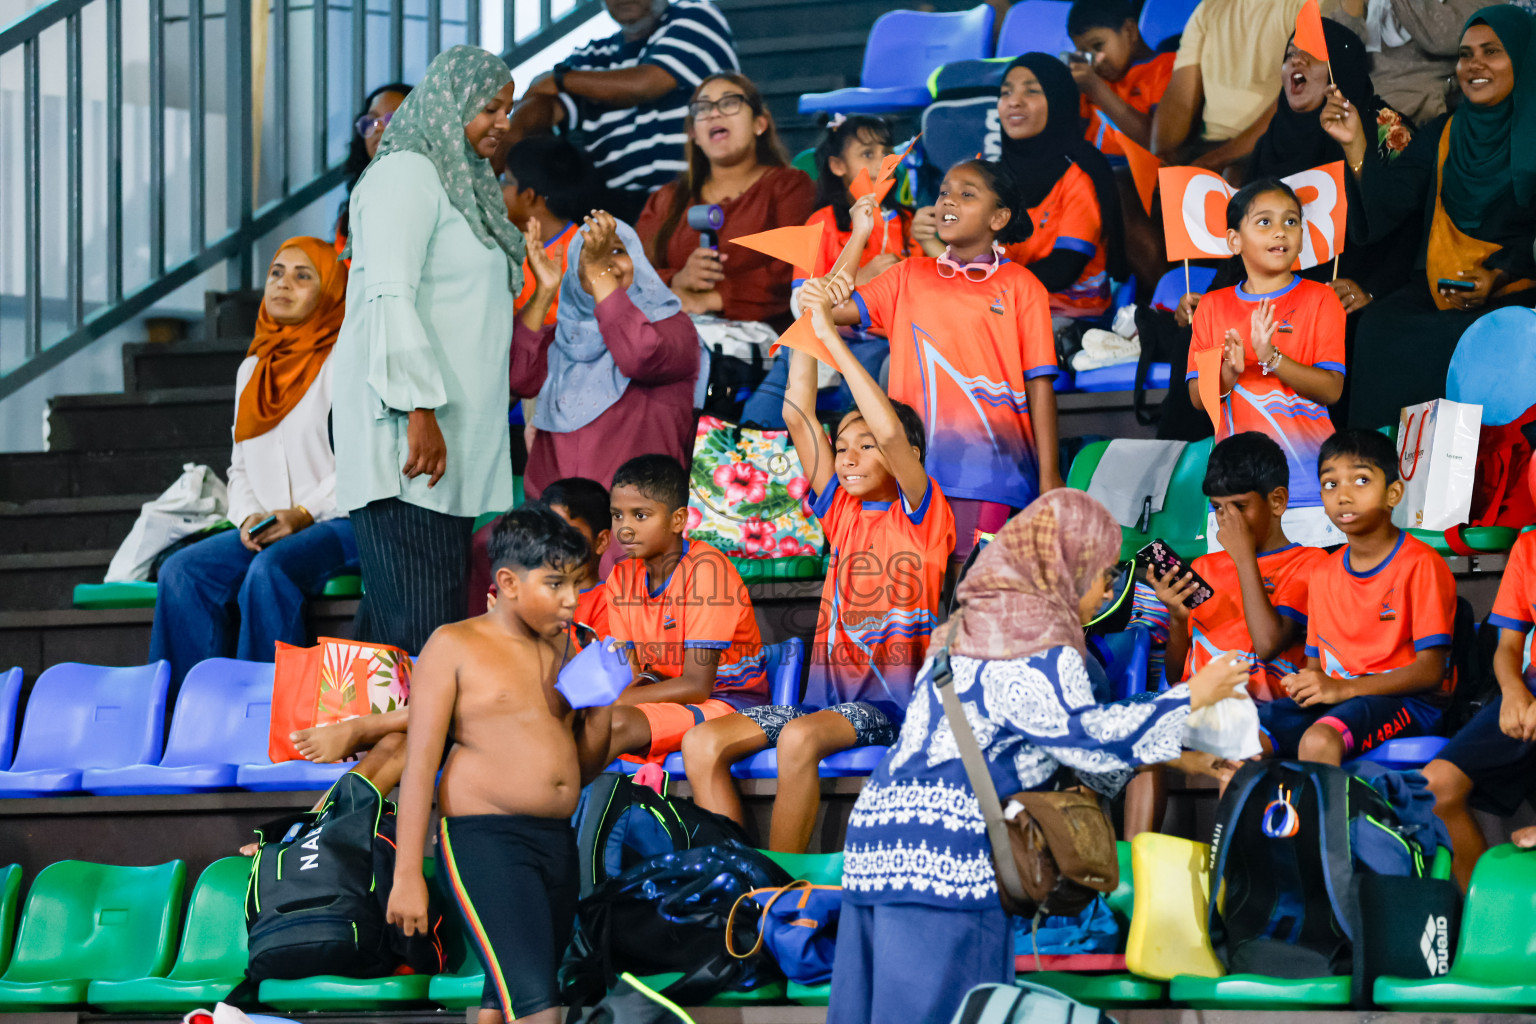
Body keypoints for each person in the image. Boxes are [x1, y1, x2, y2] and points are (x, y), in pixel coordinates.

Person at [827, 489, 1251, 1024]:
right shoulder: (1043, 645)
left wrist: (1180, 759)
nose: (1106, 591)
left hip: (875, 847)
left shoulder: (960, 629)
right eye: (1102, 574)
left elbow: (1031, 736)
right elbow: (1083, 738)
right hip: (949, 860)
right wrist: (1192, 694)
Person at [683, 272, 956, 853]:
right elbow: (798, 415)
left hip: (890, 708)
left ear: (906, 457)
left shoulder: (922, 513)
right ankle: (737, 873)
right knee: (701, 744)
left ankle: (783, 881)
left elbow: (888, 427)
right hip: (821, 704)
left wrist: (832, 337)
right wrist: (807, 324)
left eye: (866, 448)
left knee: (799, 739)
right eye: (842, 447)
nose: (849, 457)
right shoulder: (840, 510)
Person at [331, 46, 524, 655]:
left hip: (448, 438)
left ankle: (370, 745)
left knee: (406, 622)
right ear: (449, 104)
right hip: (411, 434)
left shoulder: (462, 182)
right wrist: (418, 409)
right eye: (489, 107)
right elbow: (390, 296)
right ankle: (415, 750)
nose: (502, 122)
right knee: (423, 628)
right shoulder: (405, 172)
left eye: (508, 109)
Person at [387, 506, 613, 1024]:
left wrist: (600, 701)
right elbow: (419, 766)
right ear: (508, 582)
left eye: (576, 584)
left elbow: (578, 767)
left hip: (556, 840)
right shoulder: (454, 644)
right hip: (485, 842)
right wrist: (407, 875)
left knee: (502, 998)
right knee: (539, 1007)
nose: (571, 599)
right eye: (555, 583)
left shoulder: (566, 645)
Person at [819, 168, 1058, 564]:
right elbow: (828, 307)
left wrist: (1049, 475)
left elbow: (1040, 386)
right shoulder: (907, 274)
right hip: (908, 470)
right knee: (920, 591)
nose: (947, 200)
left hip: (992, 474)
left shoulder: (1023, 285)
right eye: (944, 192)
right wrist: (860, 233)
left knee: (971, 595)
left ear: (998, 219)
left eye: (967, 195)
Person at [150, 237, 356, 690]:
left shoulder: (346, 361)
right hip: (267, 525)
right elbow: (238, 465)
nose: (284, 284)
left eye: (304, 276)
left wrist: (304, 514)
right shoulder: (254, 369)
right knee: (182, 572)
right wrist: (248, 518)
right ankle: (190, 715)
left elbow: (366, 461)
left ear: (330, 290)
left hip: (342, 522)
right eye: (277, 273)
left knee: (269, 570)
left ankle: (262, 715)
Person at [1330, 5, 1536, 429]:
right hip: (1443, 284)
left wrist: (1498, 277)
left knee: (1471, 338)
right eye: (1465, 54)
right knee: (1380, 328)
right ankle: (1376, 472)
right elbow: (1391, 203)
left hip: (1519, 285)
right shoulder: (1444, 131)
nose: (1474, 65)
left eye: (1491, 52)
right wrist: (1355, 145)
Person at [1259, 429, 1458, 764]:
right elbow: (1316, 665)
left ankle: (1320, 819)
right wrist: (1309, 685)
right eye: (1330, 484)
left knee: (1319, 740)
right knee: (1243, 739)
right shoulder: (1322, 573)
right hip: (1342, 699)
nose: (1343, 495)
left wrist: (1343, 690)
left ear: (1393, 493)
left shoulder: (1421, 563)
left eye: (1361, 481)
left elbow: (1430, 671)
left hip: (1408, 703)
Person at [1187, 179, 1347, 549]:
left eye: (1292, 222)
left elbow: (1331, 389)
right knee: (1238, 599)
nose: (1280, 231)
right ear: (1233, 241)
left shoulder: (1321, 299)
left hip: (1307, 486)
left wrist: (1272, 357)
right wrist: (1228, 371)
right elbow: (1199, 398)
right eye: (1264, 222)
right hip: (1234, 491)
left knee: (1307, 601)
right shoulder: (1212, 307)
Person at [510, 211, 701, 499]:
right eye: (589, 257)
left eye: (617, 251)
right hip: (554, 520)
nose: (605, 263)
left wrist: (598, 273)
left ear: (638, 259)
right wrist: (544, 293)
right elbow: (517, 379)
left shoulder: (673, 327)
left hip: (632, 521)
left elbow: (638, 356)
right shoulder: (561, 336)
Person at [741, 113, 912, 429]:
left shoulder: (908, 223)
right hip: (815, 340)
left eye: (886, 152)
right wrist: (862, 276)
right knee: (758, 418)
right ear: (837, 166)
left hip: (878, 344)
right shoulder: (821, 223)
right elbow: (799, 304)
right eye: (867, 154)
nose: (882, 163)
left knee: (856, 420)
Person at [506, 0, 739, 223]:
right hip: (620, 210)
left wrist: (558, 79)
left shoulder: (695, 17)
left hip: (697, 194)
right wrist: (514, 134)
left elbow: (646, 83)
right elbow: (542, 103)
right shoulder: (592, 57)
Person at [603, 455, 770, 764]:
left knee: (611, 724)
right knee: (579, 724)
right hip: (663, 699)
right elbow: (635, 674)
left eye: (640, 516)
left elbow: (696, 685)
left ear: (678, 520)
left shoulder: (707, 569)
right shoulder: (620, 577)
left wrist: (619, 701)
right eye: (617, 516)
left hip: (729, 704)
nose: (624, 528)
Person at [637, 74, 816, 341]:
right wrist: (677, 279)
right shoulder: (667, 199)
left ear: (759, 123)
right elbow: (633, 273)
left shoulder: (790, 186)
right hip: (674, 342)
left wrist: (715, 298)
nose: (714, 113)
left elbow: (796, 272)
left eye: (729, 103)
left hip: (771, 350)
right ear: (694, 135)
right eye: (703, 108)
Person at [1150, 432, 1328, 698]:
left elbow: (1268, 645)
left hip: (1262, 717)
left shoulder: (1309, 565)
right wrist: (1178, 619)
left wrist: (1244, 557)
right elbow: (1177, 677)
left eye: (1239, 507)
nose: (1227, 520)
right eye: (1218, 508)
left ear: (1277, 501)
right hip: (1194, 709)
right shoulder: (1204, 568)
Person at [1423, 528, 1536, 888]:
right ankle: (1483, 916)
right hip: (1530, 687)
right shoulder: (1529, 545)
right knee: (1437, 785)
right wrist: (1514, 689)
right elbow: (1508, 647)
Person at [995, 54, 1127, 321]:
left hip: (1067, 314)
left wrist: (987, 285)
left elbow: (1064, 267)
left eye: (1031, 91)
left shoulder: (1082, 170)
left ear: (1059, 101)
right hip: (1000, 306)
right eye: (1005, 92)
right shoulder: (989, 174)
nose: (1014, 101)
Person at [1152, 0, 1307, 170]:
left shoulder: (1310, 5)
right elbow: (1180, 100)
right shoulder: (1208, 9)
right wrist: (1163, 157)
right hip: (1210, 148)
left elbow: (1298, 98)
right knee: (1125, 184)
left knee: (1233, 174)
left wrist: (1219, 158)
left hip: (1273, 147)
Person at [1326, 0, 1492, 123]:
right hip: (1356, 102)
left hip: (1417, 107)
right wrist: (1351, 8)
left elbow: (1443, 38)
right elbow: (1341, 55)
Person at [502, 135, 596, 326]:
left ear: (528, 196)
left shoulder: (580, 258)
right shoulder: (509, 240)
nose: (498, 188)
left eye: (506, 181)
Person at [1067, 0, 1177, 155]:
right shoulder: (1092, 81)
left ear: (1130, 31)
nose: (1095, 61)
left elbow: (1163, 144)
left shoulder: (1167, 69)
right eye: (1085, 53)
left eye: (1098, 46)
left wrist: (1098, 90)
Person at [337, 82, 413, 252]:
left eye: (392, 119)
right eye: (371, 121)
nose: (379, 128)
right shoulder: (356, 203)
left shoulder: (439, 194)